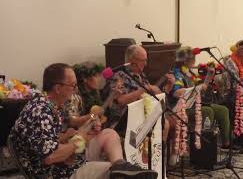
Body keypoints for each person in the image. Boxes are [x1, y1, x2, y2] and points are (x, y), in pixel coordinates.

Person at [9, 63, 157, 179]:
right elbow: (50, 157)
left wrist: (72, 135)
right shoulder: (40, 111)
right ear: (58, 88)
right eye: (73, 85)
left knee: (109, 134)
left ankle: (120, 167)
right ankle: (119, 171)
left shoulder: (51, 104)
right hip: (56, 173)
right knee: (109, 170)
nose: (75, 89)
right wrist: (81, 136)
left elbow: (47, 139)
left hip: (66, 160)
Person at [167, 46, 231, 165]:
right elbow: (176, 93)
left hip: (195, 104)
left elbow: (203, 88)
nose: (194, 60)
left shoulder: (189, 72)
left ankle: (226, 146)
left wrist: (209, 76)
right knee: (207, 111)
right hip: (180, 108)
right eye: (192, 58)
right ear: (185, 60)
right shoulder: (176, 73)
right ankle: (201, 151)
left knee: (223, 110)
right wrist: (196, 89)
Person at [103, 45, 175, 143]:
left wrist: (167, 89)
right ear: (131, 60)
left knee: (165, 123)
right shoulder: (119, 76)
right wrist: (143, 90)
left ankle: (158, 157)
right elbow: (120, 100)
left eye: (146, 60)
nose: (145, 64)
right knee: (160, 125)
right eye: (142, 60)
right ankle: (143, 156)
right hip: (124, 122)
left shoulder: (141, 75)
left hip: (142, 117)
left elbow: (154, 98)